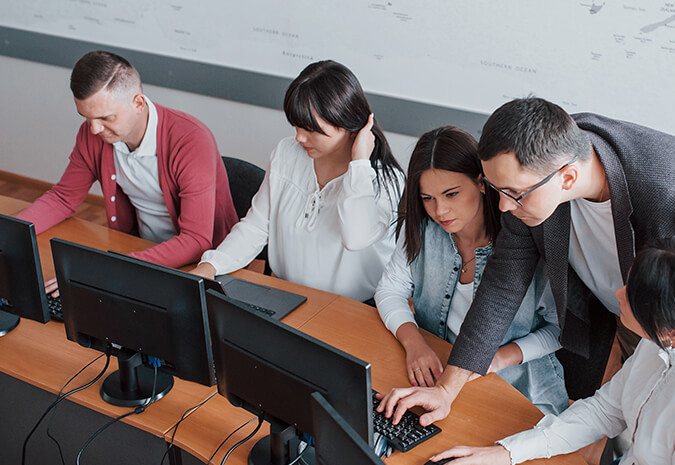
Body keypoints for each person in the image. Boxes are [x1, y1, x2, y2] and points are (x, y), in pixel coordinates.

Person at [378, 97, 675, 427]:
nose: (502, 207)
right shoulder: (541, 163)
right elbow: (502, 286)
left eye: (513, 194)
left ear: (566, 178)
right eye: (496, 190)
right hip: (610, 313)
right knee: (605, 426)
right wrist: (446, 390)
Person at [429, 235, 675, 465]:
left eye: (631, 296)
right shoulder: (662, 346)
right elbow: (604, 411)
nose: (618, 295)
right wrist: (505, 453)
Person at [375, 126, 568, 415]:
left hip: (521, 388)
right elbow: (390, 291)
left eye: (451, 194)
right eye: (428, 198)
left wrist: (498, 358)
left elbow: (558, 329)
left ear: (481, 182)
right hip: (444, 372)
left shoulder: (524, 244)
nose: (440, 211)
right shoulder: (421, 229)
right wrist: (414, 343)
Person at [18, 50, 237, 290]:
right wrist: (11, 233)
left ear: (138, 104)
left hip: (202, 266)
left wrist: (110, 267)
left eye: (105, 118)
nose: (94, 129)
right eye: (86, 117)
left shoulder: (191, 140)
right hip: (141, 252)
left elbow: (196, 240)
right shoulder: (93, 134)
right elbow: (62, 198)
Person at [190, 60, 404, 302]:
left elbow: (355, 239)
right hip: (285, 296)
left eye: (311, 130)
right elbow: (256, 226)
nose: (299, 137)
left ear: (347, 126)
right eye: (297, 126)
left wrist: (359, 165)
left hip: (352, 311)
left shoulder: (386, 180)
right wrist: (211, 266)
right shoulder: (287, 152)